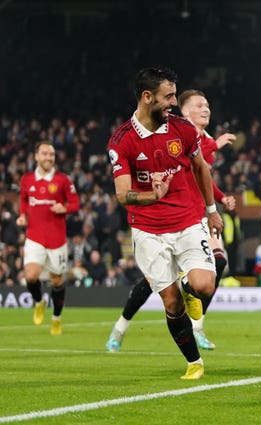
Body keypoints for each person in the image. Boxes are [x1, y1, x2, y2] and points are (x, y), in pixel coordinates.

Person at [107, 66, 223, 380]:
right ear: (147, 97)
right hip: (147, 230)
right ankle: (194, 363)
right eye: (167, 96)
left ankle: (187, 286)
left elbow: (200, 168)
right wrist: (151, 196)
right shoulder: (122, 141)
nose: (173, 102)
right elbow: (122, 195)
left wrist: (211, 208)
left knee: (203, 285)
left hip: (187, 220)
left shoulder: (183, 129)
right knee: (171, 303)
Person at [17, 141, 80, 335]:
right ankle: (39, 302)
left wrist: (65, 209)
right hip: (34, 235)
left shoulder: (63, 180)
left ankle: (56, 319)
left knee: (57, 281)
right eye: (44, 154)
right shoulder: (27, 180)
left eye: (51, 154)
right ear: (36, 156)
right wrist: (22, 215)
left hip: (57, 239)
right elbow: (24, 200)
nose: (48, 157)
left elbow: (76, 204)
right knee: (30, 275)